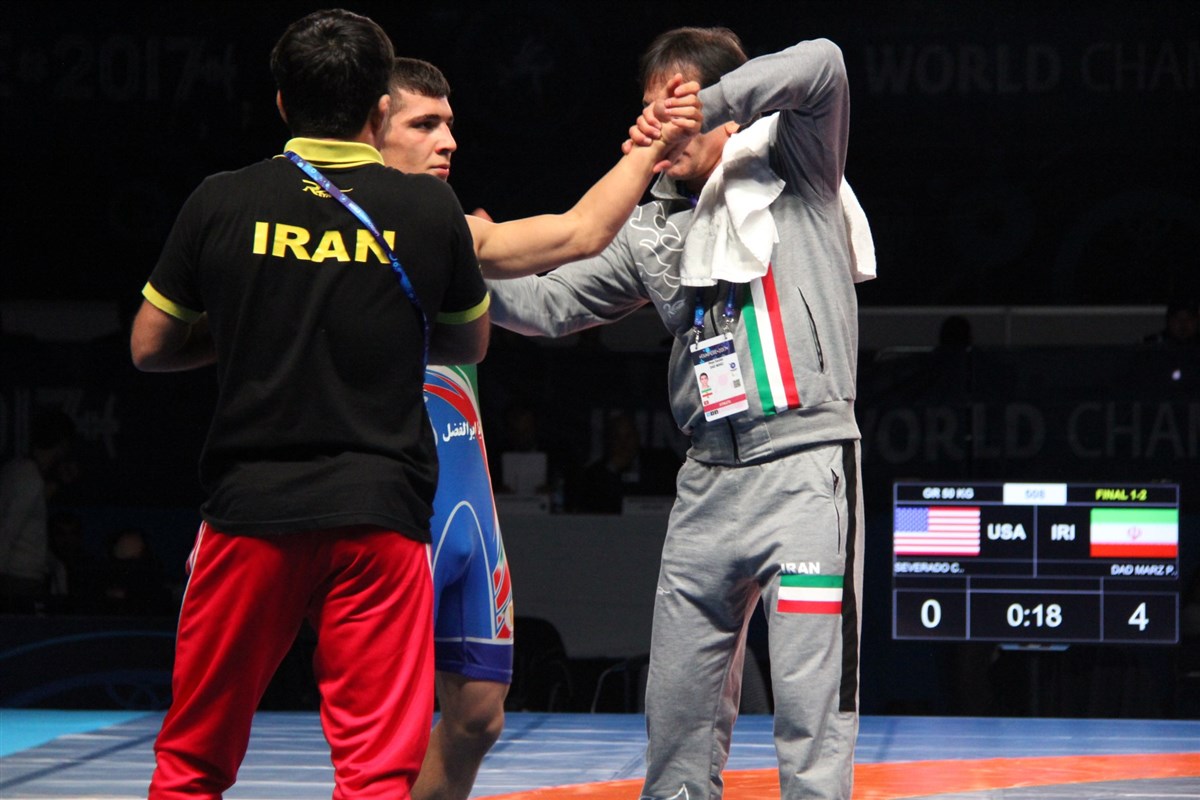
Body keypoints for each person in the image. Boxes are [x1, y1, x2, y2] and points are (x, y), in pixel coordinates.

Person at [486, 27, 873, 800]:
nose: (660, 125)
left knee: (810, 713)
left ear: (727, 110)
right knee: (676, 719)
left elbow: (825, 63)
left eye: (676, 106)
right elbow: (551, 303)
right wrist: (449, 268)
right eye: (650, 109)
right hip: (706, 491)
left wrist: (707, 103)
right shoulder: (651, 226)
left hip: (806, 477)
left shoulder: (797, 166)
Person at [128, 10, 489, 799]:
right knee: (377, 775)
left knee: (191, 763)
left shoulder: (221, 200)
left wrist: (251, 324)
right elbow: (468, 342)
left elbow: (150, 346)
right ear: (379, 108)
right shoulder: (430, 211)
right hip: (379, 518)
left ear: (284, 102)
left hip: (250, 516)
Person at [382, 57, 701, 800]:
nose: (448, 142)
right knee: (384, 727)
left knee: (477, 718)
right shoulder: (350, 226)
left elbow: (574, 245)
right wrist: (655, 143)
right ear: (373, 127)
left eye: (450, 125)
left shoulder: (450, 229)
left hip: (466, 499)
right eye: (425, 125)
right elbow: (579, 233)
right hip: (390, 498)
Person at [0, 406, 78, 613]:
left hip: (18, 578)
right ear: (63, 444)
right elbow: (8, 531)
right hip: (19, 581)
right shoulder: (29, 477)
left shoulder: (16, 470)